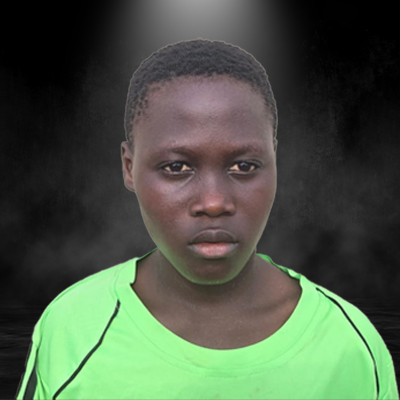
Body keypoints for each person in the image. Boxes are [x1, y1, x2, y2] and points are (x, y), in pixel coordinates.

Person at [16, 39, 398, 400]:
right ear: (129, 168)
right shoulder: (72, 328)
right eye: (176, 167)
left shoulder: (350, 347)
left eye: (244, 166)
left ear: (274, 161)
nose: (214, 203)